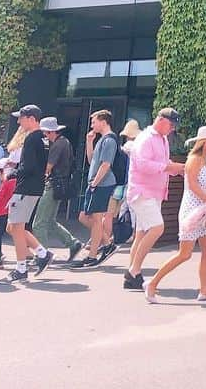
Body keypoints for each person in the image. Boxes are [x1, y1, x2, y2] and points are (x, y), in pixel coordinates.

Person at [145, 125, 206, 302]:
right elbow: (193, 185)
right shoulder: (195, 160)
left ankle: (205, 290)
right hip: (192, 211)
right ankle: (152, 283)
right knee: (185, 253)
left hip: (203, 210)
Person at [123, 108, 184, 290]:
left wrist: (174, 169)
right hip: (142, 192)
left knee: (142, 233)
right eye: (171, 124)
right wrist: (169, 168)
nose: (172, 129)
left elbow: (160, 165)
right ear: (161, 120)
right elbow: (142, 164)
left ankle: (133, 274)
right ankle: (133, 271)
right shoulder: (146, 138)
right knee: (157, 228)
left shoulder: (162, 139)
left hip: (152, 192)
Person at [0, 105, 55, 285]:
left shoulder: (31, 139)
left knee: (16, 228)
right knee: (15, 227)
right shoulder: (44, 139)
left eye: (21, 118)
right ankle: (42, 254)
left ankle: (22, 268)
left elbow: (28, 167)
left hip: (25, 188)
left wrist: (11, 172)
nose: (18, 121)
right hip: (34, 188)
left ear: (31, 118)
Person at [71, 110, 120, 268]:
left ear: (103, 121)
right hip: (97, 183)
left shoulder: (110, 140)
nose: (92, 125)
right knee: (84, 216)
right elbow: (92, 160)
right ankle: (107, 244)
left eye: (94, 122)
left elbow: (106, 164)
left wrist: (95, 183)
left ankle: (93, 255)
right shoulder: (102, 140)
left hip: (102, 184)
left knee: (96, 219)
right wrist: (89, 141)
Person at [32, 117, 82, 262]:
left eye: (44, 133)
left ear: (49, 132)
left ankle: (43, 254)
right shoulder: (64, 142)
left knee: (39, 223)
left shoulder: (58, 145)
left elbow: (48, 168)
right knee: (50, 221)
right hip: (60, 185)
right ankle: (73, 243)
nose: (44, 136)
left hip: (52, 185)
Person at [103, 119, 139, 248]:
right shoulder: (139, 145)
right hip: (132, 182)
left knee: (123, 208)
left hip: (125, 182)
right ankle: (129, 233)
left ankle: (123, 234)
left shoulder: (129, 145)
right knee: (127, 208)